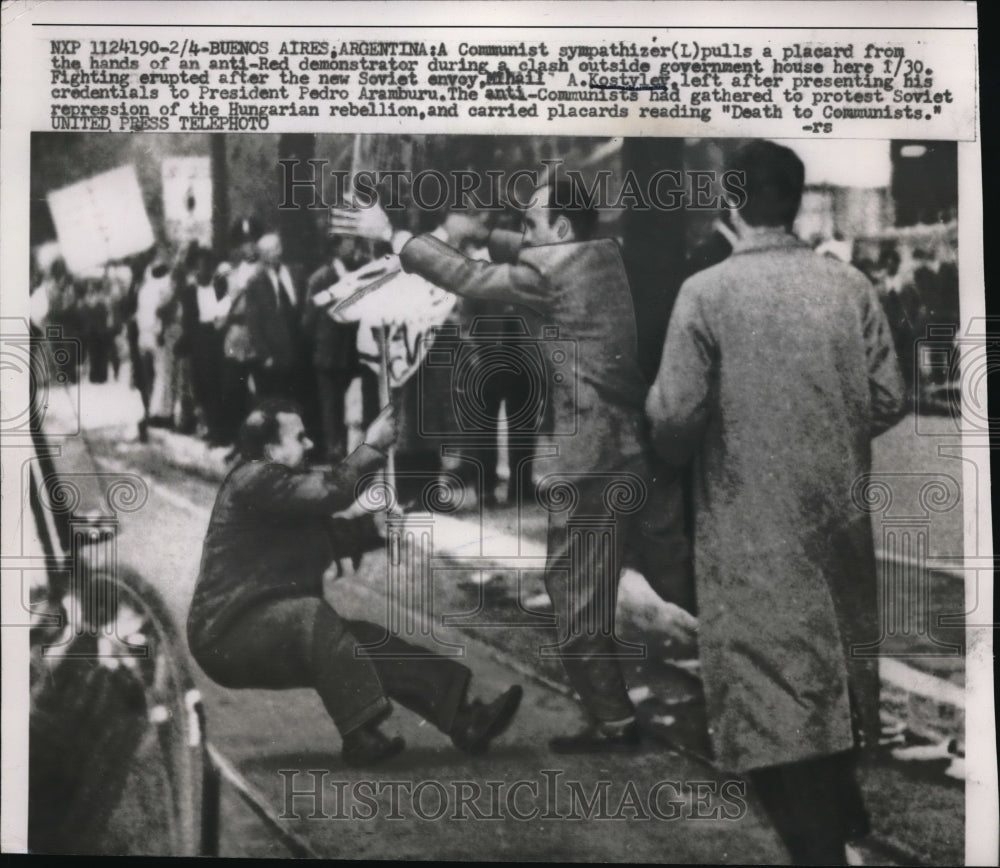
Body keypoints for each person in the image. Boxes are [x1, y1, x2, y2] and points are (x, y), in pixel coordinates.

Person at [335, 181, 693, 753]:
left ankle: (615, 725)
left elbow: (470, 279)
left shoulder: (550, 274)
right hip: (631, 453)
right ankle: (758, 644)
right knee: (676, 574)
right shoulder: (602, 255)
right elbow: (518, 248)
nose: (521, 233)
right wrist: (476, 231)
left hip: (590, 466)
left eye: (530, 223)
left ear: (561, 231)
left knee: (572, 589)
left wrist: (396, 237)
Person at [645, 140, 906, 865]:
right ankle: (842, 824)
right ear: (793, 201)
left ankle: (822, 850)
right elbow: (888, 395)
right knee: (831, 685)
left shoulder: (707, 293)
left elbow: (672, 421)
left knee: (765, 702)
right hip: (837, 523)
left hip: (748, 526)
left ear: (732, 201)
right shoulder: (848, 286)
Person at [187, 398, 523, 766]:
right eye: (299, 437)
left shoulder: (274, 489)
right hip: (226, 633)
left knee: (364, 641)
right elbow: (331, 491)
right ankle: (358, 734)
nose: (310, 444)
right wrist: (373, 446)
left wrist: (379, 528)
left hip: (257, 625)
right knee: (311, 618)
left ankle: (463, 719)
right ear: (271, 449)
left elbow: (324, 536)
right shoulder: (254, 477)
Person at [303, 235, 363, 463]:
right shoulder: (321, 278)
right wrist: (322, 341)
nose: (355, 247)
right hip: (329, 353)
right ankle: (334, 451)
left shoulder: (358, 274)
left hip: (352, 353)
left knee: (352, 405)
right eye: (350, 242)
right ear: (337, 247)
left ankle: (351, 450)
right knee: (330, 405)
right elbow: (308, 320)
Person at [244, 233, 305, 401]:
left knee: (300, 400)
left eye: (277, 248)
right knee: (277, 402)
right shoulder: (255, 284)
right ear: (262, 256)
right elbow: (253, 325)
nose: (276, 254)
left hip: (299, 351)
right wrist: (265, 355)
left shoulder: (297, 273)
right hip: (274, 356)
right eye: (270, 251)